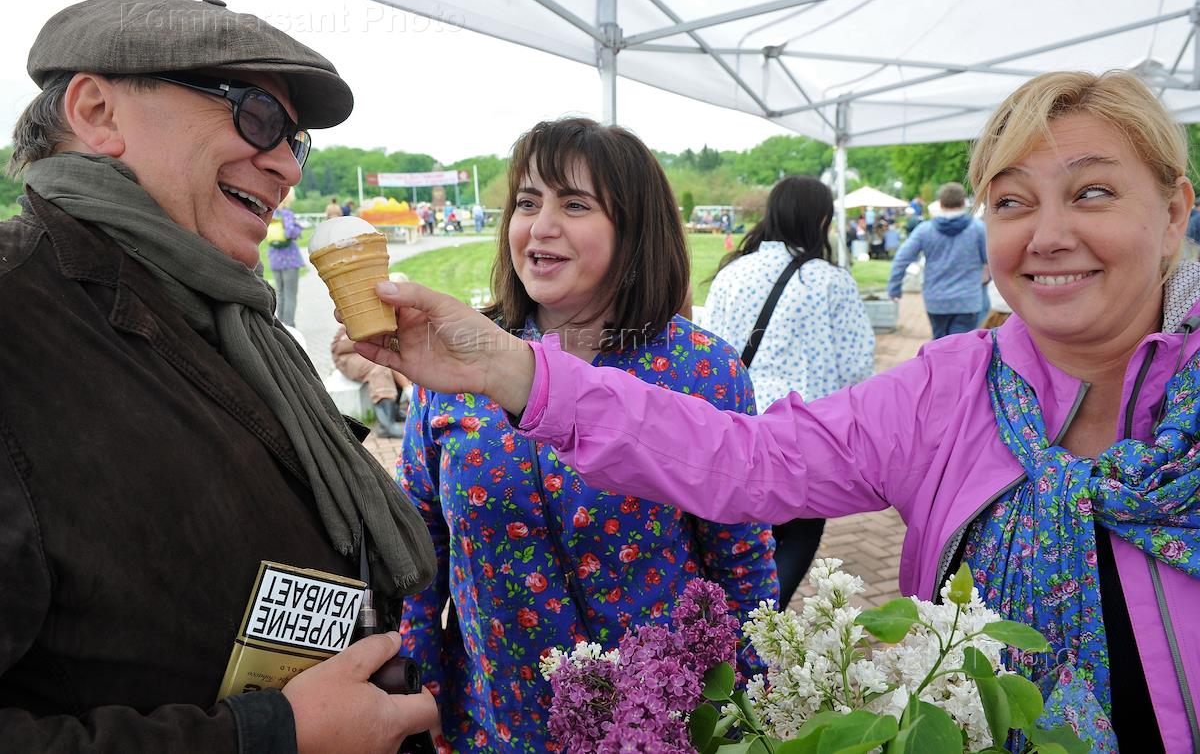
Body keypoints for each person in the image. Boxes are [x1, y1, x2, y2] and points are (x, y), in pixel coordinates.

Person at [356, 70, 1200, 753]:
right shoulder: (953, 389)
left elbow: (740, 563)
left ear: (1172, 213)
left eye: (1090, 192)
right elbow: (745, 462)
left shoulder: (700, 362)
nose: (1047, 234)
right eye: (1012, 202)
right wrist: (507, 365)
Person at [0, 0, 438, 753]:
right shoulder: (17, 315)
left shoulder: (231, 314)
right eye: (257, 116)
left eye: (292, 140)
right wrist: (272, 734)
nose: (285, 166)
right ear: (98, 111)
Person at [395, 117, 778, 751]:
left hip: (660, 724)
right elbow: (420, 541)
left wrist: (749, 706)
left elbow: (740, 558)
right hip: (497, 723)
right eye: (527, 202)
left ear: (633, 229)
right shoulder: (455, 355)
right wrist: (420, 686)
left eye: (575, 204)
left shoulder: (701, 370)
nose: (541, 227)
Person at [704, 176, 874, 609]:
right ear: (820, 220)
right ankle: (762, 622)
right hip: (806, 431)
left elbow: (709, 353)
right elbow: (856, 364)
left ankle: (734, 625)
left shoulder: (731, 273)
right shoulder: (831, 281)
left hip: (735, 424)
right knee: (799, 530)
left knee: (741, 538)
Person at [887, 182, 988, 339]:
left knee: (939, 346)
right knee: (962, 348)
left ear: (940, 203)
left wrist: (895, 287)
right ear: (963, 202)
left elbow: (902, 258)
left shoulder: (925, 230)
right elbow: (991, 259)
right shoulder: (978, 229)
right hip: (968, 300)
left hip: (936, 299)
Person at [332, 321, 413, 439]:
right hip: (347, 353)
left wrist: (407, 386)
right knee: (380, 368)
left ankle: (393, 412)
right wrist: (407, 387)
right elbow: (341, 346)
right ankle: (386, 425)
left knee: (394, 359)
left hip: (368, 346)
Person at [267, 191, 303, 327]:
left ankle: (279, 324)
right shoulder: (287, 214)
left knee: (280, 294)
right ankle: (289, 325)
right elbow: (290, 232)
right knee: (290, 294)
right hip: (290, 259)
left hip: (275, 259)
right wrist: (297, 229)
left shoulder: (271, 213)